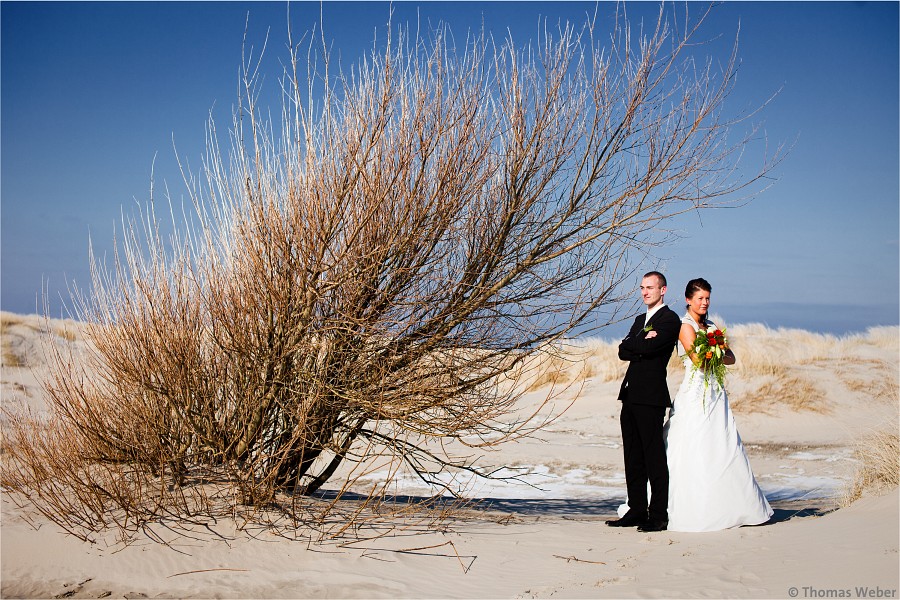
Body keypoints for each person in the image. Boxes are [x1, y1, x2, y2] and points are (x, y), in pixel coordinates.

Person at [664, 278, 773, 531]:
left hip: (715, 392)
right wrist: (715, 352)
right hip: (696, 392)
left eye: (707, 298)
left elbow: (731, 357)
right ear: (688, 300)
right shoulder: (685, 326)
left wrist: (717, 350)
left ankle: (733, 506)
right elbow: (698, 360)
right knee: (694, 443)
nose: (704, 303)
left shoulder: (711, 325)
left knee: (723, 443)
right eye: (700, 298)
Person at [606, 271, 681, 532]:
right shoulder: (640, 319)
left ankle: (658, 514)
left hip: (651, 397)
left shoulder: (670, 319)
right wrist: (639, 343)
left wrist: (636, 345)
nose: (645, 292)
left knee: (653, 457)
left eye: (650, 287)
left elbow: (648, 350)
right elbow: (622, 351)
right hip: (630, 395)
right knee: (632, 455)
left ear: (663, 290)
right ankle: (636, 509)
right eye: (642, 288)